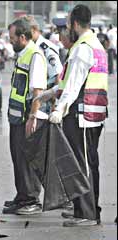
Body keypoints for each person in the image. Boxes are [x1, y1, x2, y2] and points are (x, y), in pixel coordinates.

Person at [39, 5, 108, 227]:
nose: (67, 28)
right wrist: (50, 93)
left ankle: (87, 214)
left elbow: (75, 83)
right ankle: (84, 209)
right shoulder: (94, 44)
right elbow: (69, 81)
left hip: (82, 114)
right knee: (85, 162)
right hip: (92, 112)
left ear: (76, 24)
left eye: (68, 24)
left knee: (83, 165)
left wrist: (59, 109)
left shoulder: (82, 48)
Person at [2, 17, 47, 215]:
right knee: (17, 157)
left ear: (22, 36)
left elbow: (37, 90)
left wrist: (33, 117)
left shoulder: (35, 55)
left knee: (27, 160)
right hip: (17, 117)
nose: (10, 41)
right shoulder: (23, 54)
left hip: (27, 116)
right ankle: (22, 197)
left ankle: (31, 199)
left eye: (12, 38)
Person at [27, 15, 63, 114]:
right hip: (33, 99)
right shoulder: (31, 47)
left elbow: (58, 76)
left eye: (26, 32)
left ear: (34, 30)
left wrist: (55, 105)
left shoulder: (46, 48)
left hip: (44, 102)